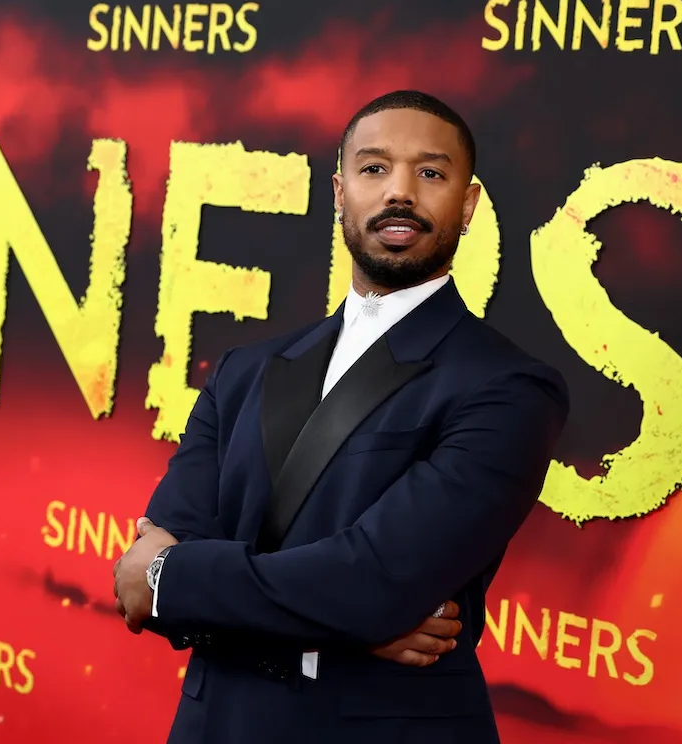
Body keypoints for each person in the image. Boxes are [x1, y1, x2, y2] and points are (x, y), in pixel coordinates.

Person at [112, 89, 569, 743]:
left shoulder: (509, 388)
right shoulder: (244, 372)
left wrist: (169, 576)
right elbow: (159, 566)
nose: (399, 193)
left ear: (467, 206)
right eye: (374, 168)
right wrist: (343, 622)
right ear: (339, 192)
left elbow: (371, 584)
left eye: (431, 173)